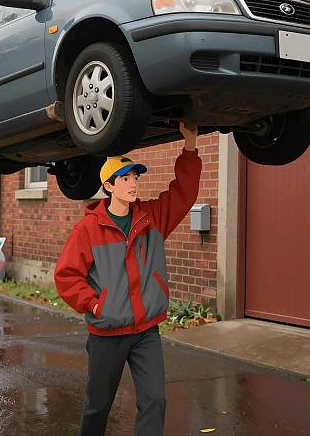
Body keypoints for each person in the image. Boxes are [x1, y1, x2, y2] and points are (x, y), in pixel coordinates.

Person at [54, 121, 202, 436]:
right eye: (125, 178)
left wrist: (190, 147)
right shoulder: (89, 229)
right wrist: (95, 306)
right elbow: (67, 276)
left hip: (146, 331)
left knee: (155, 401)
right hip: (108, 333)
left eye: (135, 177)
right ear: (109, 185)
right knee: (98, 407)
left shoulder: (152, 218)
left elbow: (184, 193)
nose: (133, 183)